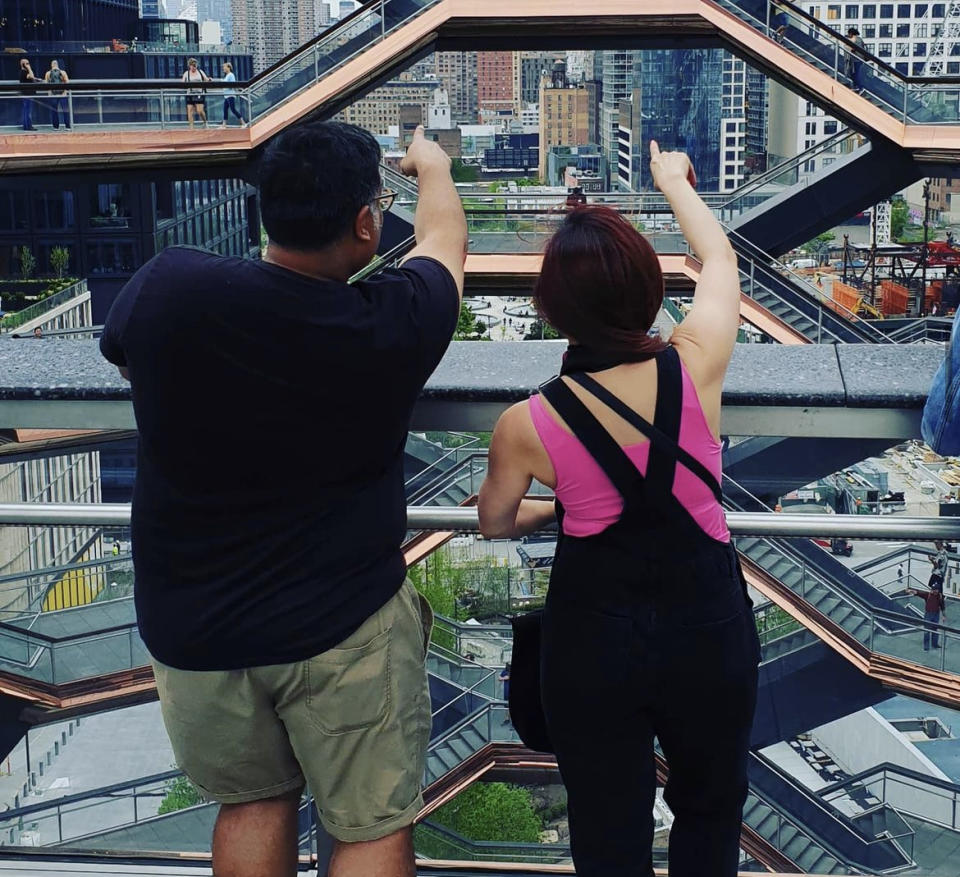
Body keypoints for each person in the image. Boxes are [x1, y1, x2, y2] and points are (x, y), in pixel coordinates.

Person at [98, 120, 466, 877]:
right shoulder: (384, 325)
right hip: (342, 623)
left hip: (197, 625)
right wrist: (430, 167)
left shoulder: (173, 288)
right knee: (368, 823)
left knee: (253, 803)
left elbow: (129, 361)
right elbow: (443, 245)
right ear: (366, 223)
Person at [478, 142, 759, 877]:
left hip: (593, 634)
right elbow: (721, 260)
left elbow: (494, 521)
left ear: (552, 309)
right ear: (645, 289)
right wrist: (671, 183)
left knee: (606, 828)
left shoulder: (527, 421)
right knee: (711, 805)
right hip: (706, 622)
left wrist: (559, 511)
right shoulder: (695, 362)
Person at [908, 577, 946, 651]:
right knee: (927, 631)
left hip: (936, 614)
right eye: (932, 589)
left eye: (934, 589)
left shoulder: (940, 597)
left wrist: (944, 616)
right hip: (928, 614)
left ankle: (935, 644)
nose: (933, 591)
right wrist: (911, 591)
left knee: (935, 630)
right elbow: (918, 593)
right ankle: (926, 647)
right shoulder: (927, 595)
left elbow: (942, 606)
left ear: (938, 590)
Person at [181, 58, 210, 127]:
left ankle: (205, 122)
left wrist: (209, 80)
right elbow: (182, 82)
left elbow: (206, 79)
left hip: (199, 93)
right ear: (189, 66)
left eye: (195, 65)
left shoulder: (200, 72)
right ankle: (191, 127)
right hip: (190, 93)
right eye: (192, 65)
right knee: (190, 111)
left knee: (199, 110)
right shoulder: (186, 73)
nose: (194, 67)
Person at [44, 60, 71, 130]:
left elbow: (46, 84)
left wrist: (49, 93)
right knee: (65, 110)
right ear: (57, 65)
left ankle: (56, 127)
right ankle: (67, 126)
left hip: (53, 95)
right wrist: (65, 92)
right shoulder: (63, 72)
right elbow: (67, 82)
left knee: (54, 111)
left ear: (51, 65)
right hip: (63, 94)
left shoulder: (48, 73)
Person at [18, 58, 39, 131]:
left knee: (26, 110)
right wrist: (29, 68)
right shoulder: (24, 72)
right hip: (27, 94)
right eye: (27, 63)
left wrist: (37, 79)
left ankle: (26, 126)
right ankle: (28, 127)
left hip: (27, 94)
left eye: (29, 63)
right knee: (28, 111)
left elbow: (32, 78)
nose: (28, 64)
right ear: (23, 64)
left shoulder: (24, 72)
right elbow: (31, 76)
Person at [220, 62, 243, 126]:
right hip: (226, 96)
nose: (223, 68)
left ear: (229, 67)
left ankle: (242, 122)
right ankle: (224, 124)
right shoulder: (227, 76)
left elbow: (233, 84)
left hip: (230, 95)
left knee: (233, 109)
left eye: (224, 67)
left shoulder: (231, 75)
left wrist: (225, 84)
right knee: (225, 109)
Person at [844, 26, 865, 92]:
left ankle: (859, 87)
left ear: (851, 33)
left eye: (849, 34)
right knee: (855, 73)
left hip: (856, 59)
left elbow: (851, 49)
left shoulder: (854, 39)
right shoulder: (860, 39)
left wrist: (847, 45)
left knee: (855, 73)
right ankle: (857, 87)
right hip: (861, 59)